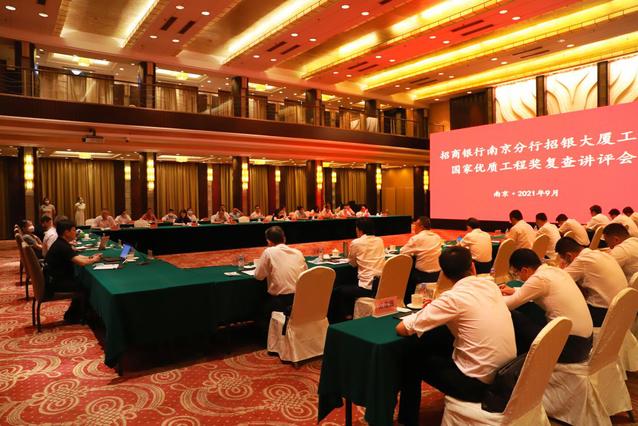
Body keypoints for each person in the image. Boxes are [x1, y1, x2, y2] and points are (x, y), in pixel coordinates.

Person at [396, 246, 516, 403]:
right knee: (441, 337)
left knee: (411, 356)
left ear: (444, 274)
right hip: (507, 374)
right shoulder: (490, 286)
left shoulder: (452, 298)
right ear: (472, 266)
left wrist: (428, 310)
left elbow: (402, 329)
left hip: (478, 385)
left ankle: (408, 416)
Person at [500, 249, 593, 363]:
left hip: (569, 347)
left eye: (516, 274)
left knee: (514, 315)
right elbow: (535, 290)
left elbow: (507, 305)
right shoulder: (554, 271)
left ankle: (517, 360)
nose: (517, 277)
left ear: (524, 270)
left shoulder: (539, 279)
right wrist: (515, 290)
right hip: (585, 343)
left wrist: (491, 296)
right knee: (531, 309)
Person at [555, 237, 627, 326]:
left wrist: (562, 267)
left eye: (563, 259)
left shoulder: (582, 260)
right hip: (622, 309)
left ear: (568, 256)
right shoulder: (600, 254)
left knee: (561, 308)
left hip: (604, 313)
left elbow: (558, 280)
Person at [44, 219, 103, 323]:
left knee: (82, 283)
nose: (75, 232)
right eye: (74, 230)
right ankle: (78, 316)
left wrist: (91, 257)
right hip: (56, 282)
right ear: (66, 232)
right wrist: (94, 260)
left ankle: (73, 315)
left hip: (56, 278)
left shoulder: (61, 242)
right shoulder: (62, 246)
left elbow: (76, 257)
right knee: (84, 287)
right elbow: (81, 262)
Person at [254, 226, 307, 339]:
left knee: (257, 306)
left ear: (269, 241)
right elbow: (305, 274)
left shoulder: (269, 252)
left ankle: (266, 340)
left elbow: (258, 276)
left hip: (281, 302)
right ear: (284, 238)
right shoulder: (298, 252)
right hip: (300, 299)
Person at [331, 218, 385, 321]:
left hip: (367, 288)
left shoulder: (356, 242)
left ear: (360, 230)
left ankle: (346, 319)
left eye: (356, 229)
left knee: (338, 291)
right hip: (381, 285)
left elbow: (352, 263)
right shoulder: (379, 240)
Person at [400, 217, 442, 303]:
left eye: (415, 225)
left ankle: (408, 302)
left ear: (421, 227)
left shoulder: (417, 238)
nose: (414, 228)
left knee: (406, 277)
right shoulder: (437, 237)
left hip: (422, 275)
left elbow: (402, 251)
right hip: (437, 274)